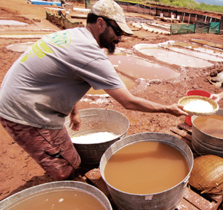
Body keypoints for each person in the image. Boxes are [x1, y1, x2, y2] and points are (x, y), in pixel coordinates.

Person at [0, 0, 188, 181]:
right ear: (100, 23)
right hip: (25, 111)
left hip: (19, 97)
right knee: (69, 166)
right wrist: (167, 109)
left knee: (65, 153)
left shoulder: (74, 36)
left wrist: (75, 112)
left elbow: (64, 79)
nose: (120, 38)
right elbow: (128, 102)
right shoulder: (90, 53)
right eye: (117, 31)